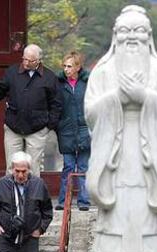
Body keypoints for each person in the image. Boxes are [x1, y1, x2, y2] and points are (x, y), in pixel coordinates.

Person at [84, 5, 157, 252]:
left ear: (149, 36)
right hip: (115, 149)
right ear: (115, 36)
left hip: (149, 150)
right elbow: (90, 113)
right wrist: (117, 99)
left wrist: (145, 97)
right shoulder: (102, 71)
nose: (132, 37)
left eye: (139, 31)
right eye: (125, 31)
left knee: (148, 201)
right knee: (116, 204)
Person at [0, 44, 62, 177]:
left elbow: (56, 104)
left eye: (30, 61)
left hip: (37, 129)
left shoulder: (49, 77)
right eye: (24, 59)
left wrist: (49, 125)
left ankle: (32, 198)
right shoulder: (12, 72)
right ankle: (10, 197)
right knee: (11, 167)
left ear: (38, 60)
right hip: (13, 126)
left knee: (33, 168)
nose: (26, 63)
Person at [54, 51, 90, 211]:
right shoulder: (59, 83)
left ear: (77, 67)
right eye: (65, 66)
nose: (66, 69)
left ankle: (83, 201)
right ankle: (63, 201)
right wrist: (58, 124)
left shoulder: (87, 83)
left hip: (84, 129)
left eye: (70, 66)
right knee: (68, 167)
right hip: (66, 131)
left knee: (83, 167)